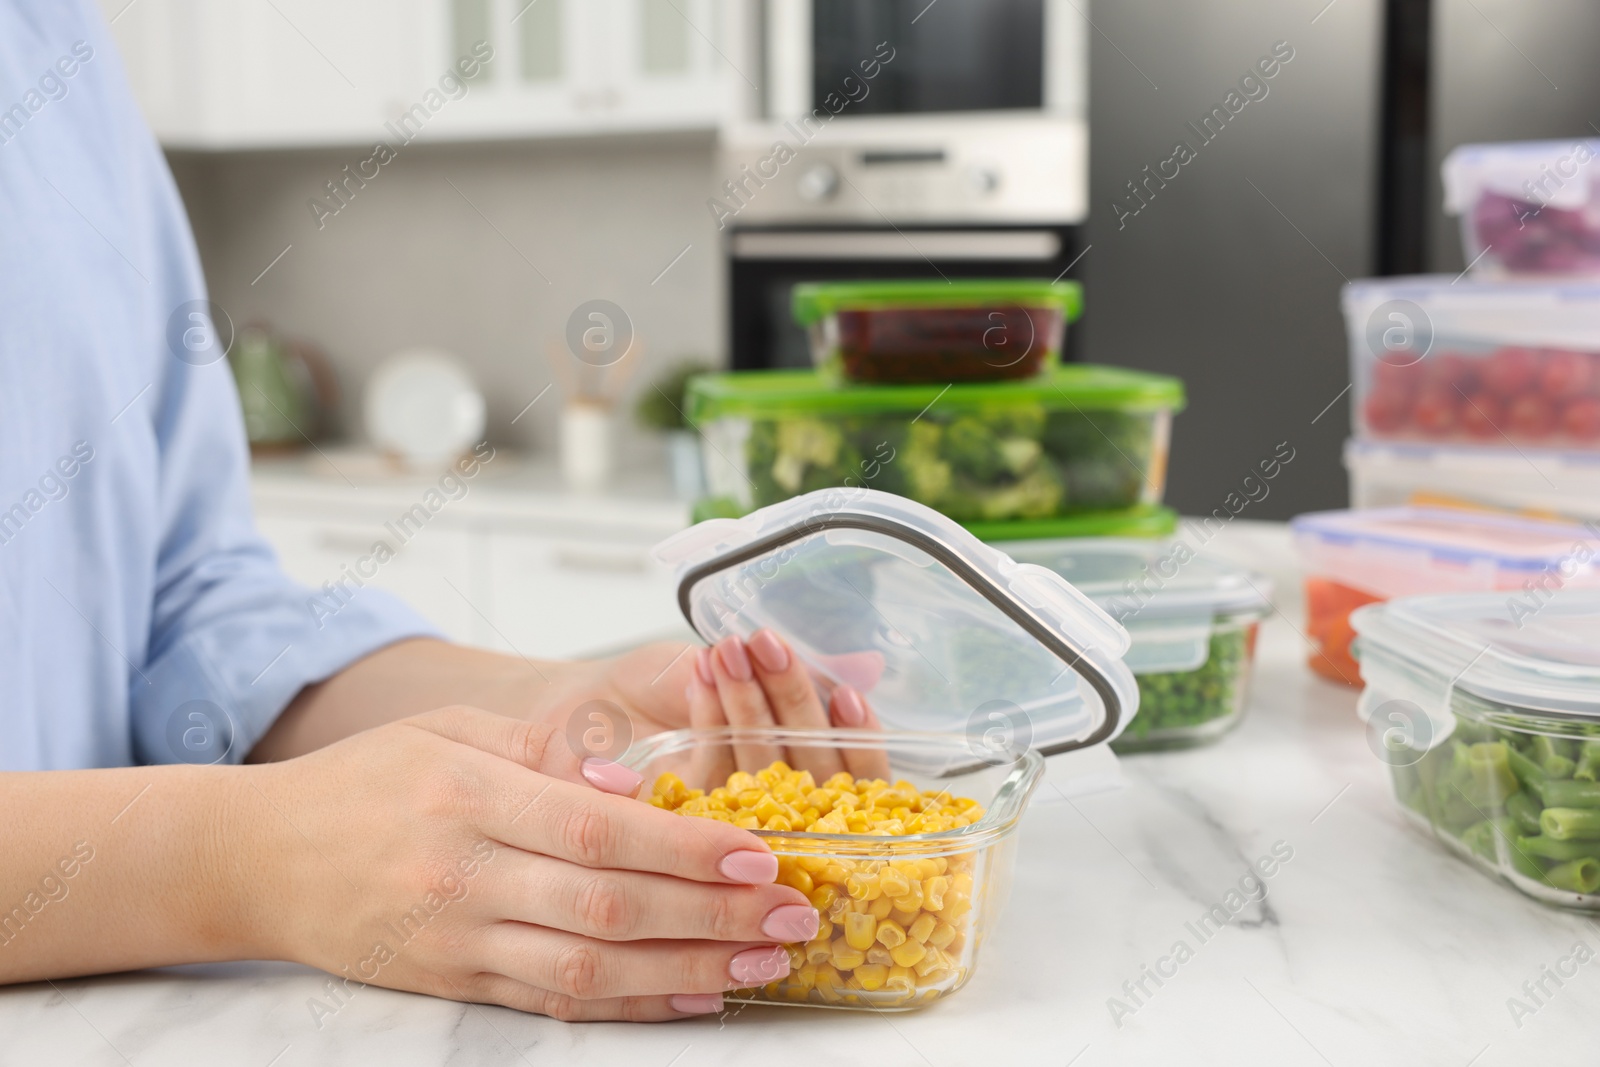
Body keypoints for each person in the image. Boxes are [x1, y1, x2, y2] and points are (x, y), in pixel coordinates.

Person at [0, 2, 880, 1022]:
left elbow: (187, 607)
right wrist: (239, 856)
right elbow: (237, 837)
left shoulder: (52, 39)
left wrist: (571, 713)